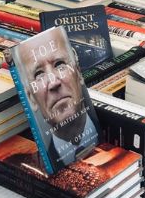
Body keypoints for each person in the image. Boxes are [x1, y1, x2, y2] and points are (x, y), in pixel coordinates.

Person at [21, 27, 97, 167]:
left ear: (78, 73)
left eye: (60, 64)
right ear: (31, 99)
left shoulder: (112, 130)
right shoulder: (44, 164)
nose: (53, 83)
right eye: (39, 74)